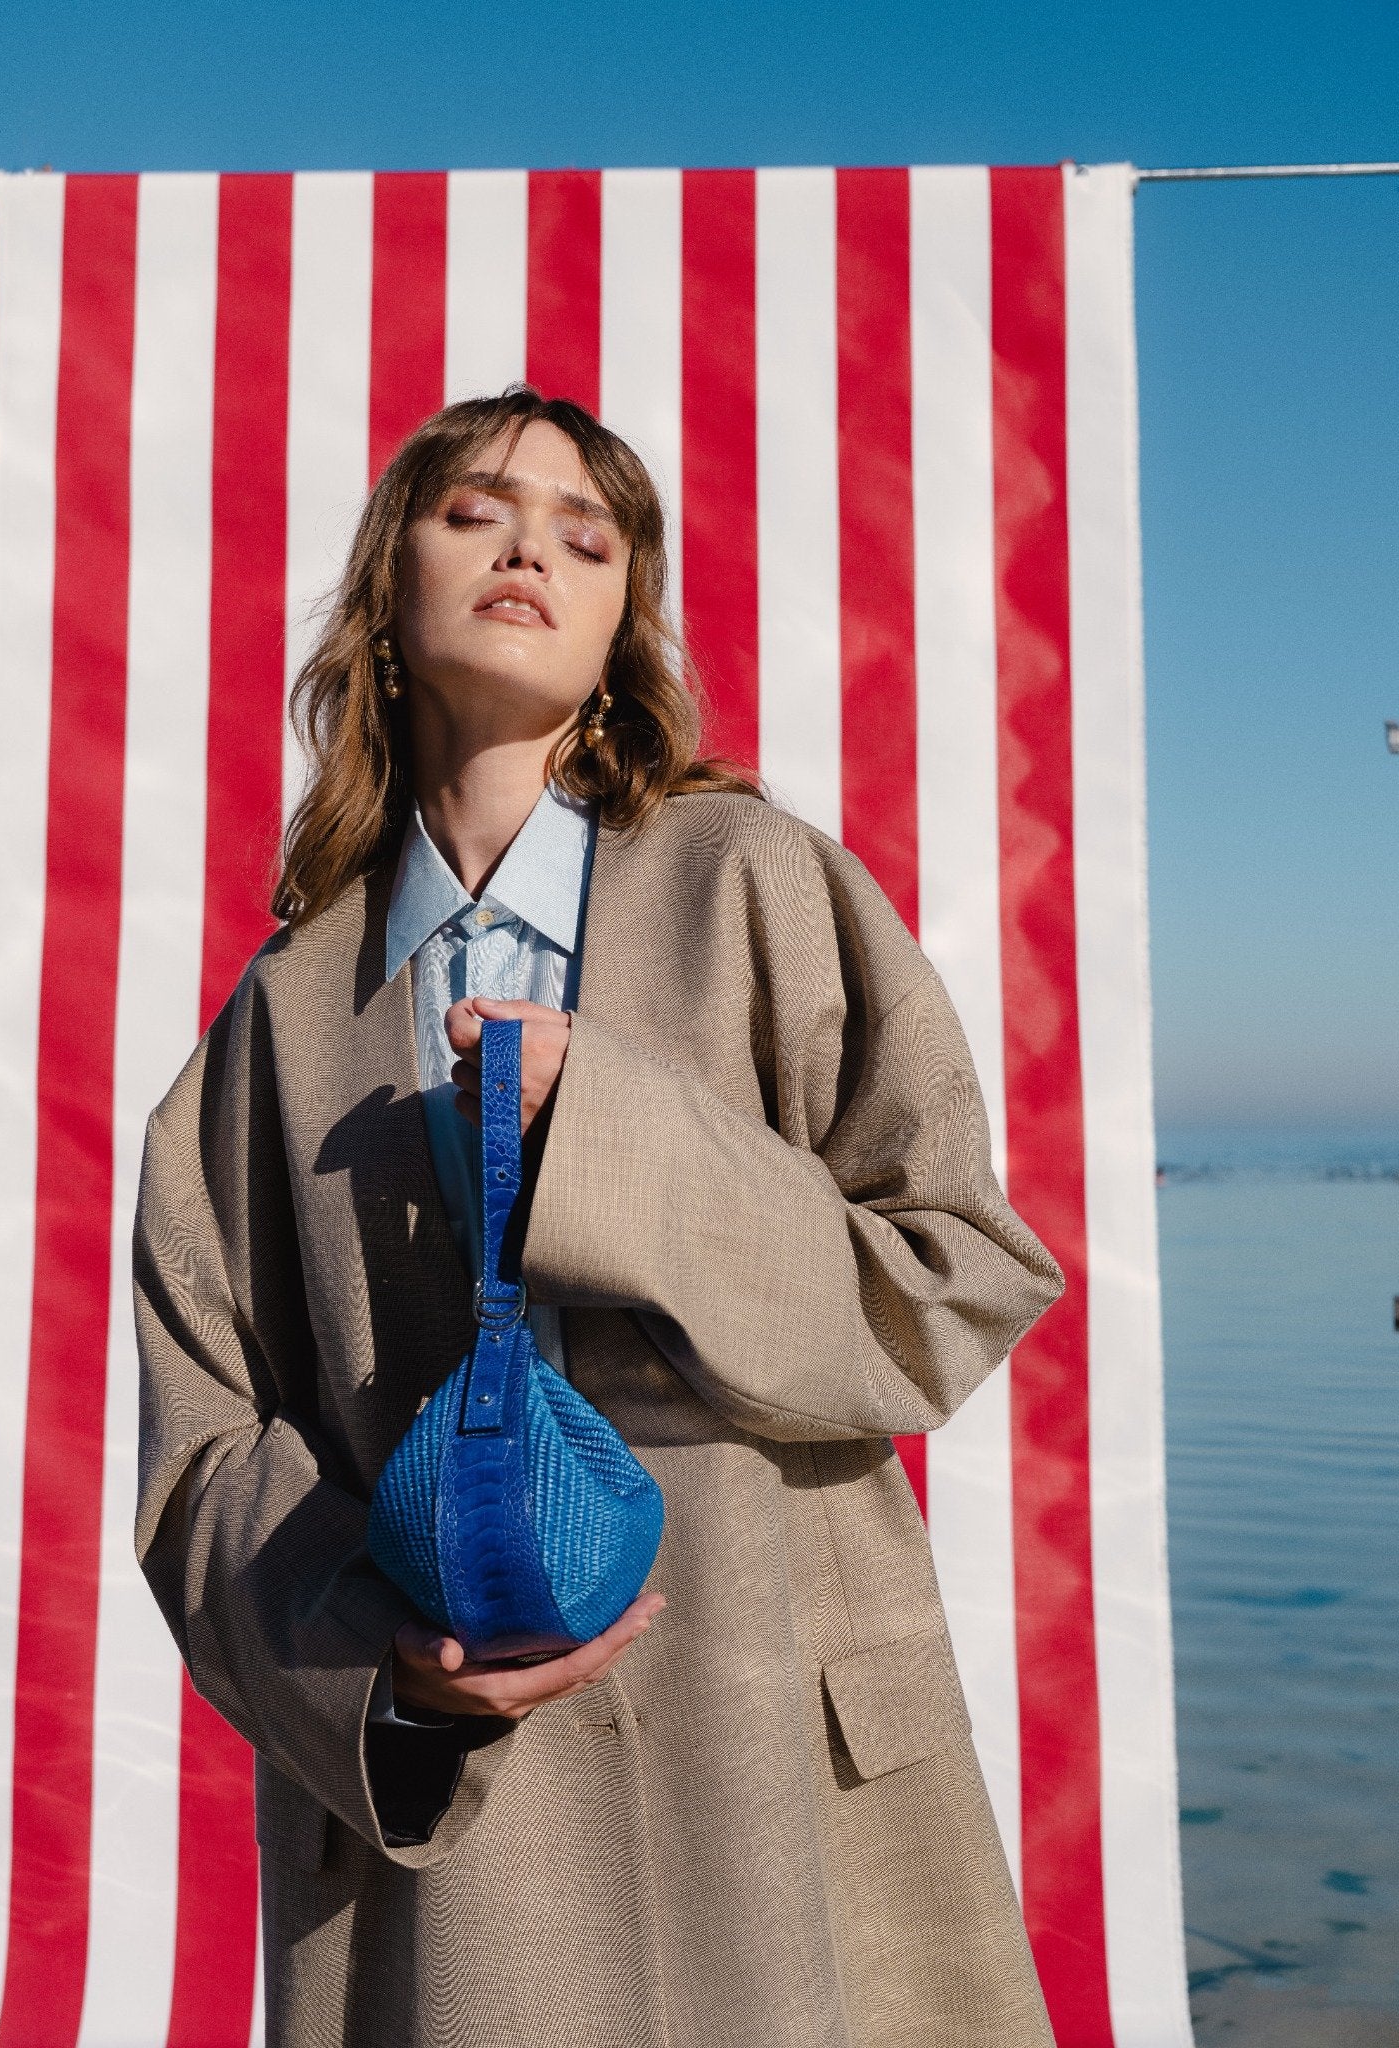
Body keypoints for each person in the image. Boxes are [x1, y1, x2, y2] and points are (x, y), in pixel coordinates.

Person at [133, 384, 1065, 2048]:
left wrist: (619, 1143)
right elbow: (205, 1455)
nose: (532, 551)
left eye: (589, 533)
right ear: (386, 599)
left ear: (624, 620)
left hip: (787, 1755)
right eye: (477, 510)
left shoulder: (759, 881)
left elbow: (957, 1269)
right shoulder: (276, 1018)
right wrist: (383, 1666)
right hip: (453, 1836)